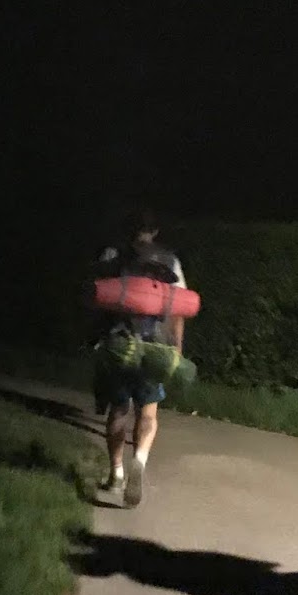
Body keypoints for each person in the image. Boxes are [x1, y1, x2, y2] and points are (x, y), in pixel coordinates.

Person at [93, 209, 187, 507]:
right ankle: (141, 460)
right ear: (155, 231)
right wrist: (176, 348)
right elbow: (178, 309)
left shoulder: (112, 255)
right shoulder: (170, 261)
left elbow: (98, 299)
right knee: (148, 414)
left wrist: (97, 339)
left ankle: (116, 474)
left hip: (120, 344)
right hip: (155, 346)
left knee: (119, 410)